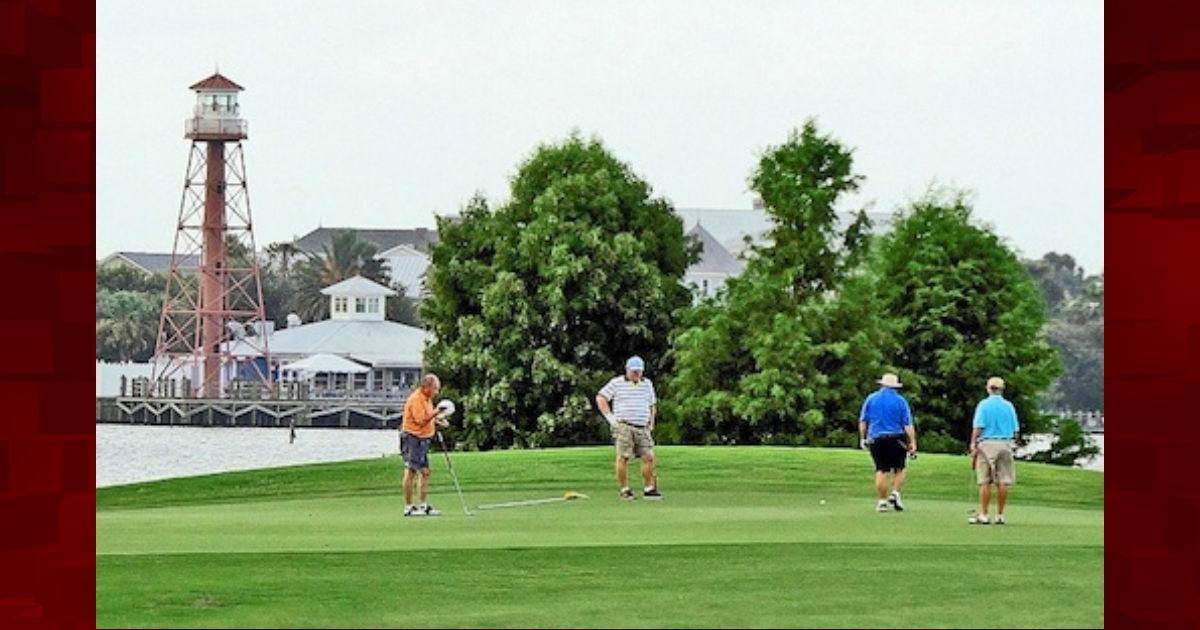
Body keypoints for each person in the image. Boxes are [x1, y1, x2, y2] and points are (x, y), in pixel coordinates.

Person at [596, 356, 662, 500]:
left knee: (649, 457)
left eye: (638, 372)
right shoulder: (617, 383)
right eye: (633, 372)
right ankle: (625, 489)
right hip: (624, 426)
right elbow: (601, 398)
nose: (636, 374)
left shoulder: (647, 384)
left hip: (642, 427)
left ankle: (649, 489)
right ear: (627, 370)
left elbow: (652, 405)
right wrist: (611, 419)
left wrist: (651, 422)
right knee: (623, 457)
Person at [858, 372, 917, 512]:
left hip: (876, 438)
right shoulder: (900, 401)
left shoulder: (871, 399)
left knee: (881, 470)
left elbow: (863, 420)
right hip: (897, 438)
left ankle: (882, 501)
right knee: (900, 468)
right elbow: (908, 424)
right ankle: (895, 493)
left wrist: (862, 438)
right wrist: (913, 442)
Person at [400, 373, 453, 517]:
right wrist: (437, 412)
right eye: (435, 389)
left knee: (425, 472)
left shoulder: (427, 399)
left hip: (423, 439)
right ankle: (409, 507)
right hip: (413, 438)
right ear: (427, 387)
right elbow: (420, 420)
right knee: (411, 471)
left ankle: (423, 506)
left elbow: (428, 417)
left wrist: (439, 421)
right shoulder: (416, 399)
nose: (437, 392)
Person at [969, 376, 1020, 525]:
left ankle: (984, 514)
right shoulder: (1009, 406)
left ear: (989, 388)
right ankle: (1000, 515)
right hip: (1005, 443)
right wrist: (1013, 443)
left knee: (985, 480)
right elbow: (1016, 430)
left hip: (987, 443)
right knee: (1003, 481)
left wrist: (973, 443)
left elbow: (979, 426)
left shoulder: (984, 405)